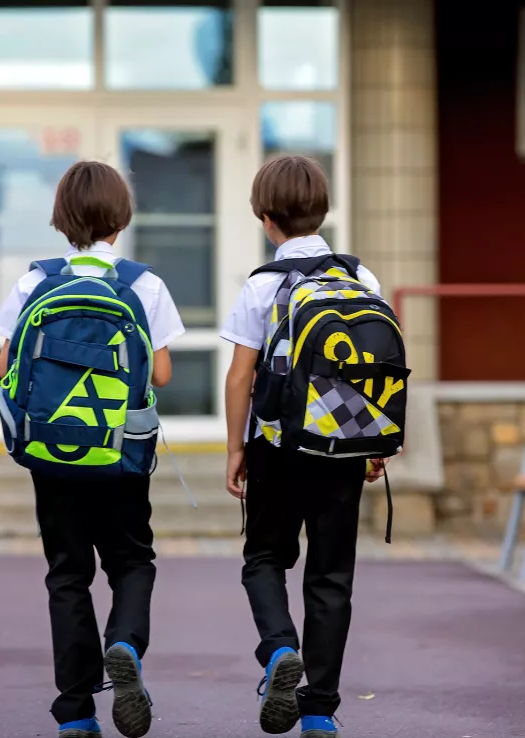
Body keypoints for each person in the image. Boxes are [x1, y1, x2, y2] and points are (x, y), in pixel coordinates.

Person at [0, 161, 185, 738]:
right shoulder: (142, 283)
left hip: (51, 454)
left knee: (68, 575)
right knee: (132, 562)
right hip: (120, 453)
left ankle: (76, 712)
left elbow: (6, 363)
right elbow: (164, 372)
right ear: (120, 221)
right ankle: (123, 643)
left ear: (61, 219)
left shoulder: (35, 281)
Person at [221, 155, 386, 738]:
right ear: (324, 212)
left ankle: (278, 651)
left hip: (278, 446)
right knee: (331, 576)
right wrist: (374, 444)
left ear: (266, 220)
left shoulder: (263, 285)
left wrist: (236, 447)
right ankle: (318, 710)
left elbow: (240, 376)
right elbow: (374, 371)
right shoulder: (362, 280)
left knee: (264, 558)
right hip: (342, 446)